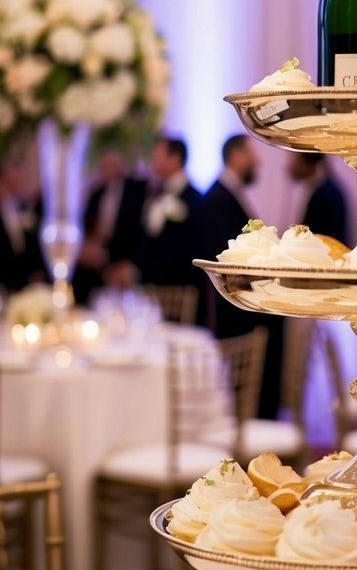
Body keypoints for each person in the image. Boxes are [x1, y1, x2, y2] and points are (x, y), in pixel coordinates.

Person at [200, 134, 284, 419]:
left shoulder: (227, 195)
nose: (257, 162)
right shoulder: (218, 199)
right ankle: (257, 422)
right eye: (251, 155)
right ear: (236, 156)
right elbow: (230, 259)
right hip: (236, 313)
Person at [109, 136, 204, 301]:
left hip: (178, 294)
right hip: (150, 291)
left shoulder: (193, 201)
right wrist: (132, 266)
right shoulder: (155, 194)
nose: (153, 163)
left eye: (158, 157)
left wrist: (137, 270)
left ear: (175, 159)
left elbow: (180, 250)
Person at [72, 149, 147, 304]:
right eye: (103, 165)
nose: (106, 169)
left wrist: (130, 263)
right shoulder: (96, 194)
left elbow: (142, 231)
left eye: (111, 164)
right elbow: (88, 227)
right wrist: (88, 248)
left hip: (125, 257)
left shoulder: (137, 190)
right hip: (99, 260)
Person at [0, 153, 45, 293]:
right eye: (16, 169)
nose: (21, 175)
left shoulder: (23, 206)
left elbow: (30, 247)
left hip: (22, 288)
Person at [286, 152, 353, 246]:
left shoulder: (326, 193)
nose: (288, 164)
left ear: (304, 162)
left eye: (294, 159)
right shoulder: (320, 187)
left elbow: (316, 237)